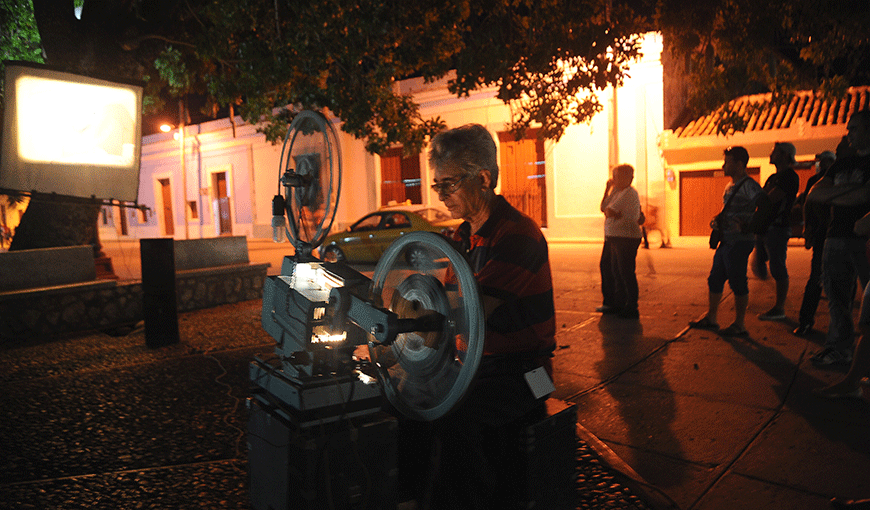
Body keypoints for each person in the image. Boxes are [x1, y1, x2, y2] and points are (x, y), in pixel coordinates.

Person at [401, 123, 557, 509]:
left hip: (531, 371)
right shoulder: (462, 237)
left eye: (448, 184)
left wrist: (410, 313)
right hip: (476, 366)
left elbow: (469, 311)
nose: (440, 196)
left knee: (456, 419)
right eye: (436, 186)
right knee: (404, 401)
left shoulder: (518, 235)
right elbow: (446, 306)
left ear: (483, 178)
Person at [807, 110, 870, 366]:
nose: (849, 134)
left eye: (854, 129)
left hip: (864, 239)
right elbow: (813, 194)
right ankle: (839, 348)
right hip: (835, 237)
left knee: (868, 301)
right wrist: (854, 190)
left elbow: (863, 198)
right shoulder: (841, 163)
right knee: (837, 297)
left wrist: (835, 194)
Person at [689, 146, 765, 336]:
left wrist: (749, 226)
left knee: (737, 280)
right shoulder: (730, 185)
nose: (723, 165)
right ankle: (712, 318)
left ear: (739, 164)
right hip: (727, 240)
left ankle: (740, 325)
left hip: (740, 242)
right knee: (715, 278)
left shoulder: (749, 185)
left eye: (727, 162)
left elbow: (765, 205)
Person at [753, 142, 800, 320]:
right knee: (760, 265)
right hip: (765, 227)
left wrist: (759, 200)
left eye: (776, 151)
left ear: (785, 155)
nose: (771, 153)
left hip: (778, 227)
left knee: (777, 266)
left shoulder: (789, 177)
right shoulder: (773, 177)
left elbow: (769, 199)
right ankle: (780, 302)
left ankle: (779, 308)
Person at [793, 151, 837, 335]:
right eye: (821, 161)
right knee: (815, 278)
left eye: (827, 160)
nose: (823, 164)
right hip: (820, 235)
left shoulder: (839, 179)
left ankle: (840, 327)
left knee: (840, 281)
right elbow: (807, 206)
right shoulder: (814, 181)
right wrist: (807, 230)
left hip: (838, 233)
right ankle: (805, 321)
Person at [596, 164, 644, 319]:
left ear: (627, 178)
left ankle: (630, 305)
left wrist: (613, 213)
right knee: (613, 269)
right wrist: (607, 189)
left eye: (615, 176)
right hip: (613, 236)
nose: (613, 179)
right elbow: (605, 208)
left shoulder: (630, 193)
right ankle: (616, 303)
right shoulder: (617, 191)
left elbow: (611, 211)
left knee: (625, 271)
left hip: (625, 238)